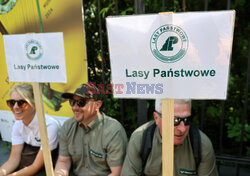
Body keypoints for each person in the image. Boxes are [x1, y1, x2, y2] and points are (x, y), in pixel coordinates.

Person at [121, 99, 218, 176]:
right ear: (156, 118)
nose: (182, 129)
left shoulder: (201, 144)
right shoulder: (140, 139)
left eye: (187, 120)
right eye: (175, 120)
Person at [54, 83, 128, 176]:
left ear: (97, 105)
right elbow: (63, 161)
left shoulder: (113, 131)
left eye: (81, 103)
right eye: (72, 102)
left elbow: (117, 173)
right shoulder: (68, 126)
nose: (74, 107)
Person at [0, 83, 60, 176]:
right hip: (29, 163)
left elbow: (36, 166)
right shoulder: (18, 124)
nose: (15, 107)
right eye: (12, 102)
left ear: (34, 104)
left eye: (21, 103)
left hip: (49, 166)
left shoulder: (49, 126)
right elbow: (13, 160)